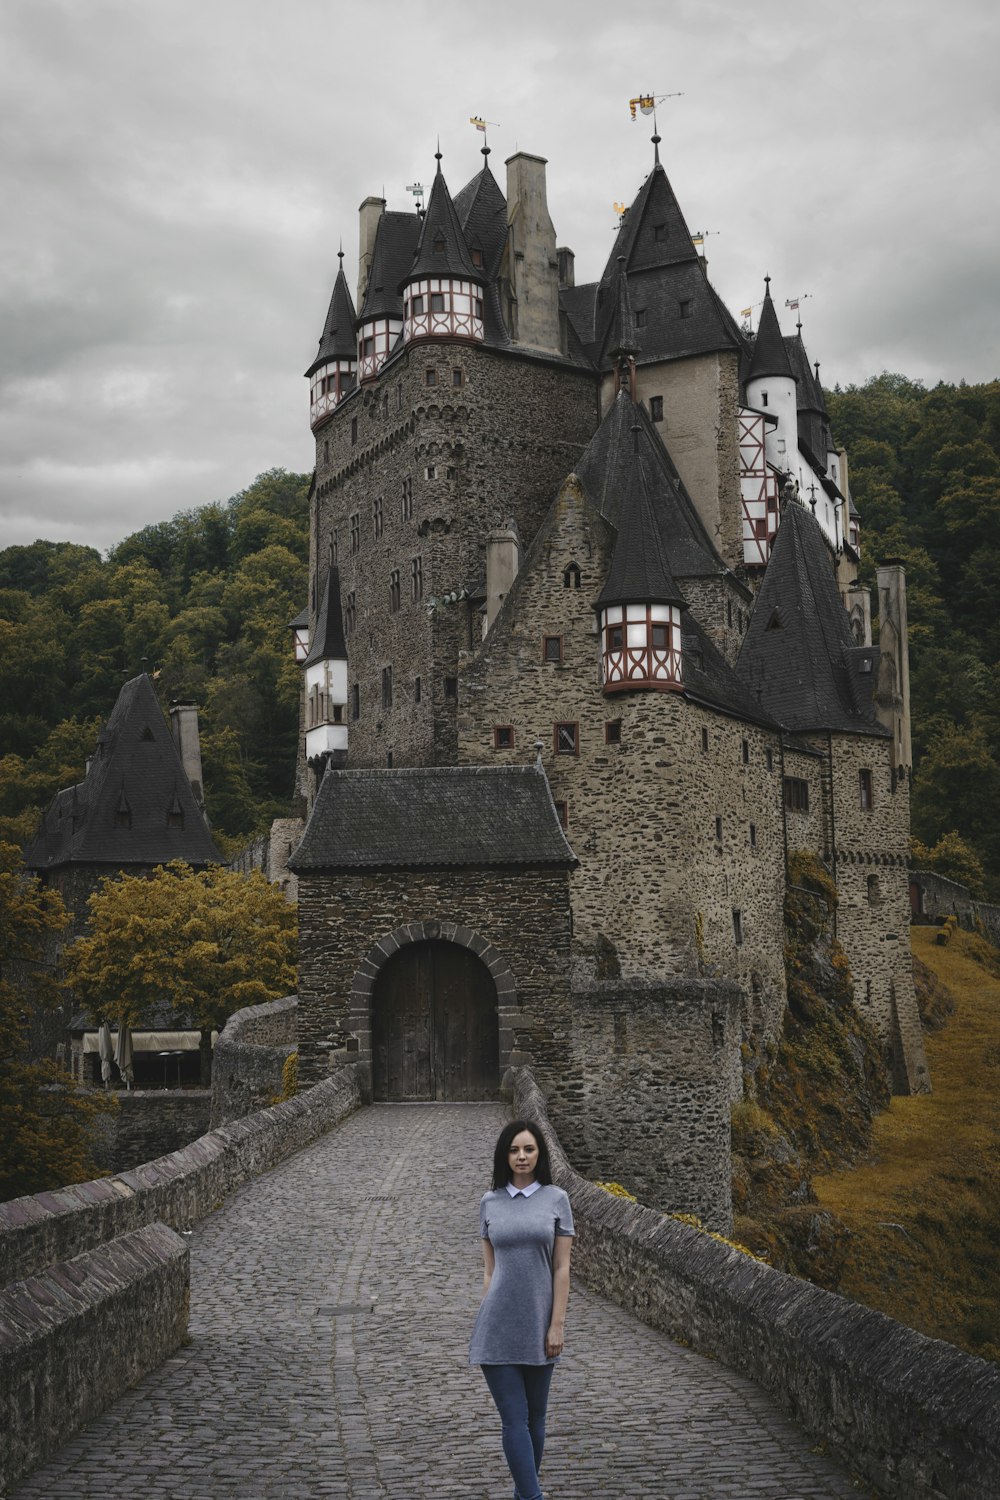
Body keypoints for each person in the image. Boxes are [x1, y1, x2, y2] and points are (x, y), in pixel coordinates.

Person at [470, 1119, 575, 1500]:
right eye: (514, 1150)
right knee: (514, 1420)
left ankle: (522, 1494)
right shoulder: (489, 1202)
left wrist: (557, 1324)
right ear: (504, 1156)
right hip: (497, 1325)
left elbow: (562, 1268)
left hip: (539, 1323)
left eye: (528, 1149)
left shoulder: (556, 1199)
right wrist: (487, 1314)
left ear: (539, 1154)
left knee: (536, 1420)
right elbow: (489, 1271)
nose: (521, 1156)